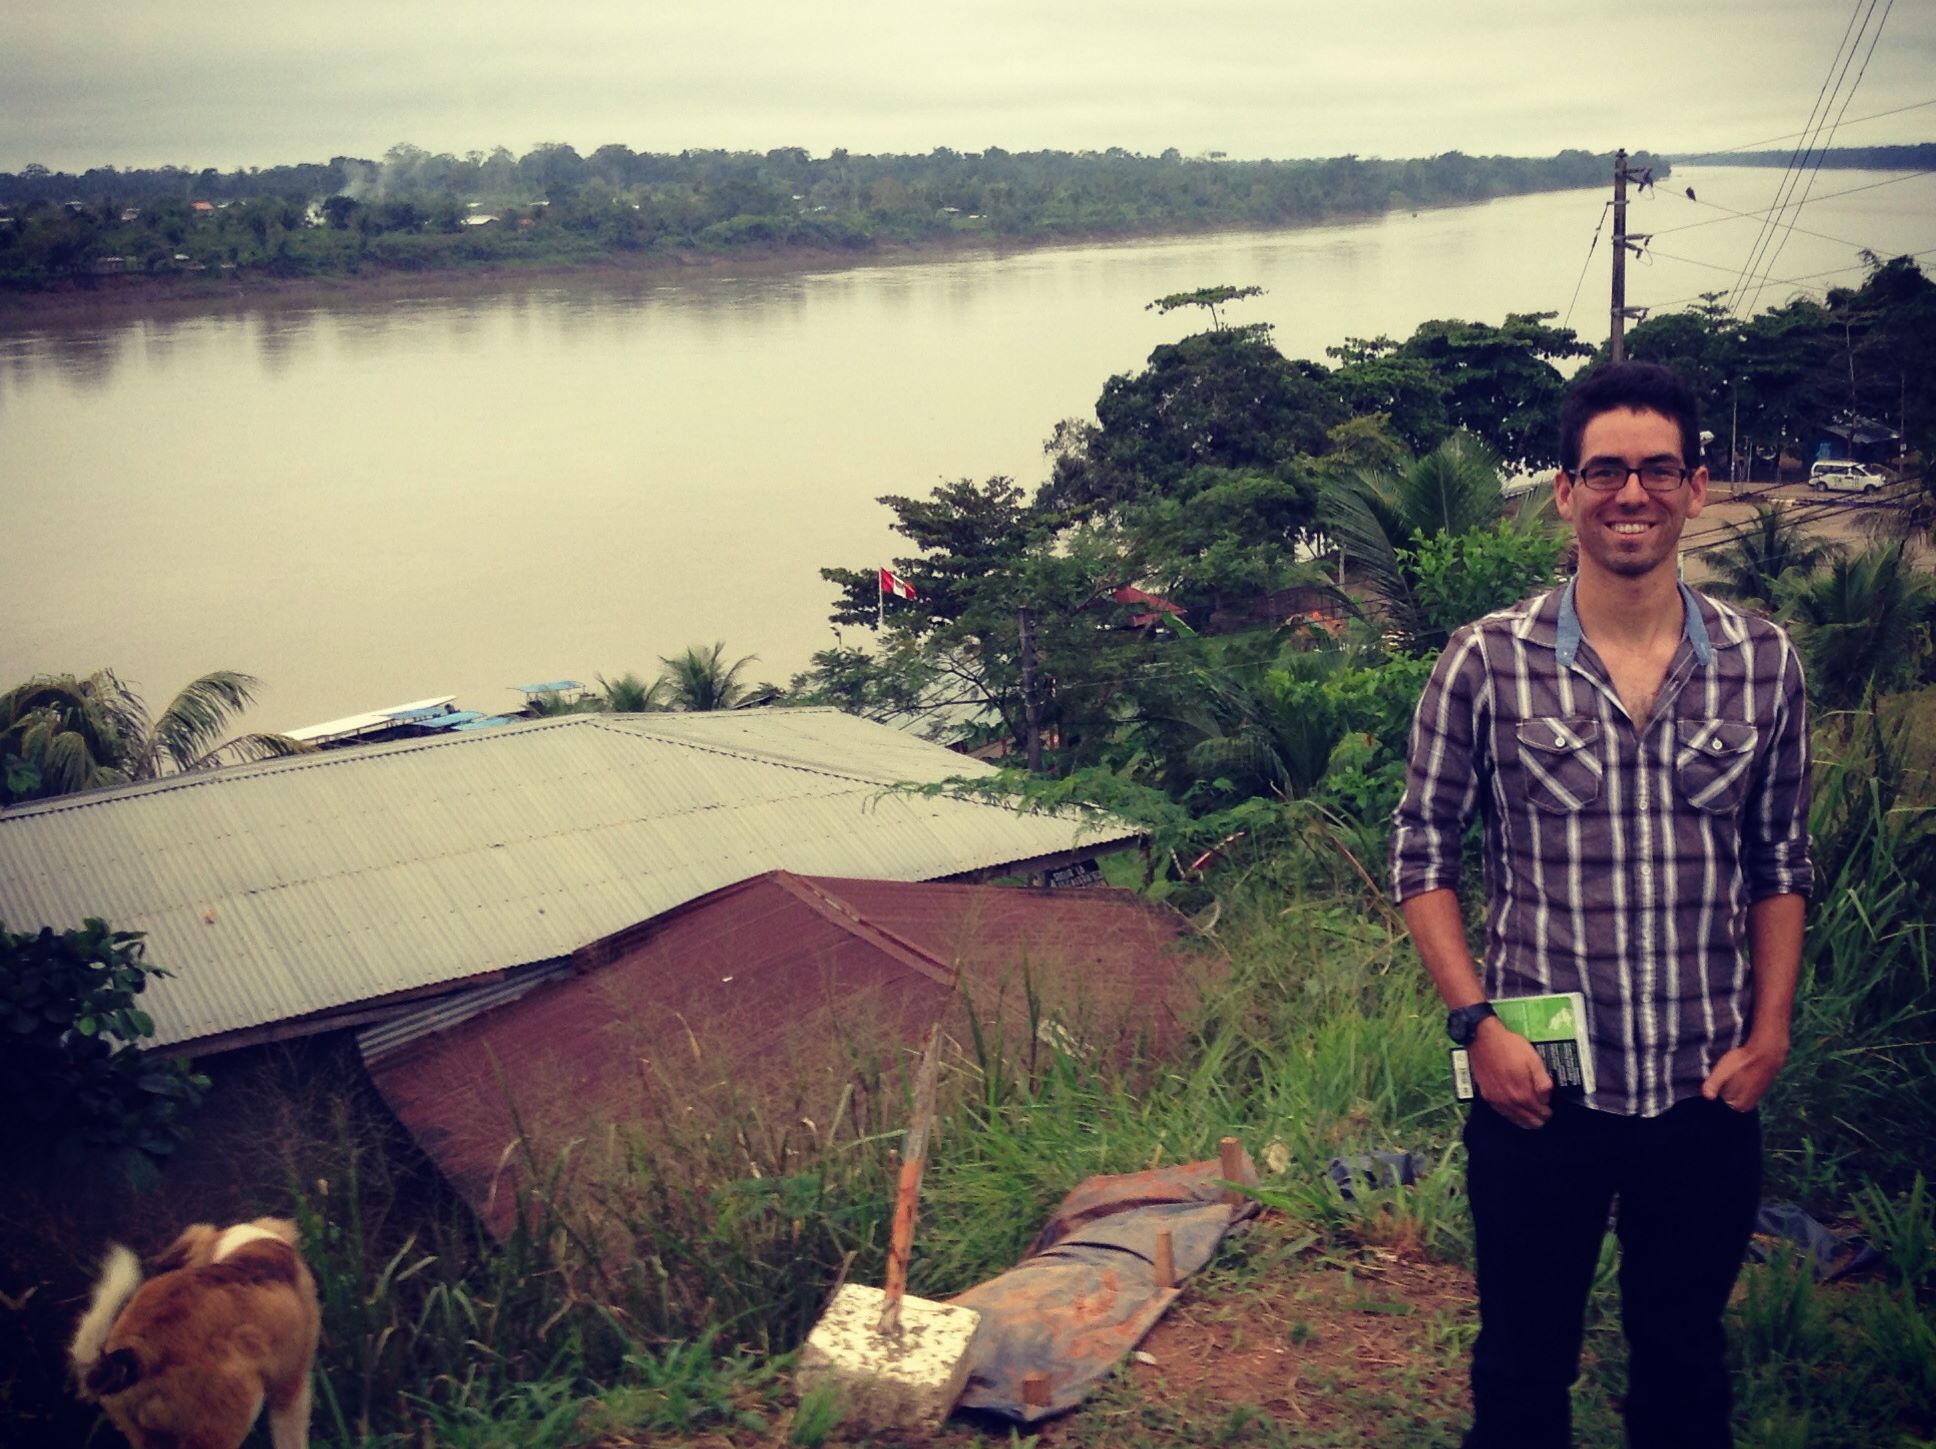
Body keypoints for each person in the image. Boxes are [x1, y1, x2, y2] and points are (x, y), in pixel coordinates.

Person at [1389, 361, 1812, 1448]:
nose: (1633, 494)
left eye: (1657, 470)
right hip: (1538, 1092)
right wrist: (1474, 1025)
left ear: (1696, 486)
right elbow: (1423, 855)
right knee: (1523, 1364)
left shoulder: (1763, 667)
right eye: (1607, 471)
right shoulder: (1484, 661)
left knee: (1683, 1362)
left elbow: (1778, 861)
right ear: (1567, 492)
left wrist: (1768, 1036)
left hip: (1704, 1091)